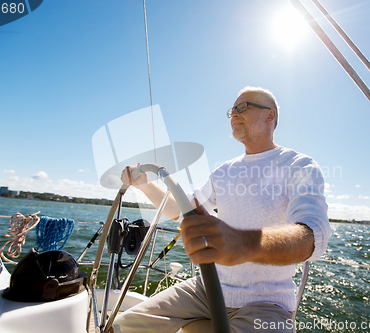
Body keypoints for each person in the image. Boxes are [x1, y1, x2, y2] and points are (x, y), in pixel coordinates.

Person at [113, 87, 331, 333]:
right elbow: (180, 209)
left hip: (266, 304)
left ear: (270, 116)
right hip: (207, 288)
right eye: (231, 110)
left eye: (243, 107)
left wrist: (245, 243)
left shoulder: (298, 165)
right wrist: (144, 184)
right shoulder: (224, 171)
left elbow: (313, 235)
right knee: (122, 327)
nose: (234, 115)